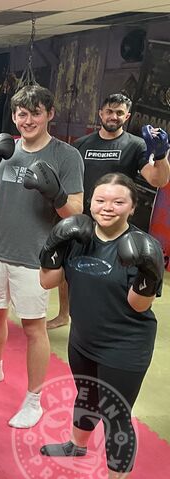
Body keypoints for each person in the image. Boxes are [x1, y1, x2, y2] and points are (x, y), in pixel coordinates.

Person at [38, 173, 163, 479]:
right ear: (90, 201)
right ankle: (76, 445)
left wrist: (150, 274)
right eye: (101, 200)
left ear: (132, 207)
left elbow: (139, 306)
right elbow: (48, 281)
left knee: (115, 415)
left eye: (118, 202)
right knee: (86, 395)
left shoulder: (142, 246)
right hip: (83, 338)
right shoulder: (77, 235)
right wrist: (51, 247)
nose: (107, 208)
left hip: (124, 346)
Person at [0, 85, 84, 429]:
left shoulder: (65, 156)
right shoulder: (6, 150)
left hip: (36, 256)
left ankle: (34, 400)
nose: (27, 120)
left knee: (33, 328)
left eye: (34, 113)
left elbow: (75, 211)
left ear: (49, 114)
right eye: (21, 114)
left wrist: (56, 193)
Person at [48, 93, 169, 329]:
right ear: (100, 113)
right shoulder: (81, 145)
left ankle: (116, 315)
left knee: (119, 268)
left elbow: (158, 180)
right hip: (83, 217)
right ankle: (65, 314)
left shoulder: (136, 145)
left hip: (116, 219)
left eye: (119, 112)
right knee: (69, 265)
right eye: (109, 111)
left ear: (127, 116)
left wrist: (161, 156)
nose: (114, 117)